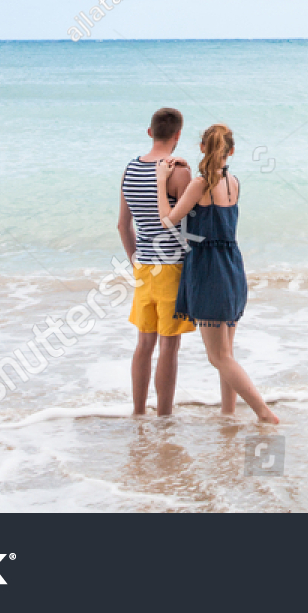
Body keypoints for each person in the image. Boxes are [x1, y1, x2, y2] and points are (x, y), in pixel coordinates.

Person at [156, 124, 279, 424]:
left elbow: (168, 221)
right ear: (231, 151)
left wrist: (161, 182)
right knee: (227, 353)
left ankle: (264, 413)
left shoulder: (199, 184)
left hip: (208, 270)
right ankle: (228, 414)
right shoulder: (233, 182)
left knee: (218, 356)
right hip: (232, 266)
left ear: (202, 148)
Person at [117, 107, 194, 416]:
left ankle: (138, 412)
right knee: (169, 347)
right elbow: (190, 223)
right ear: (178, 135)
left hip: (144, 268)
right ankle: (164, 415)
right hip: (172, 268)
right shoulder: (179, 172)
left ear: (150, 133)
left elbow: (123, 225)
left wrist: (136, 260)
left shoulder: (130, 169)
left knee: (143, 344)